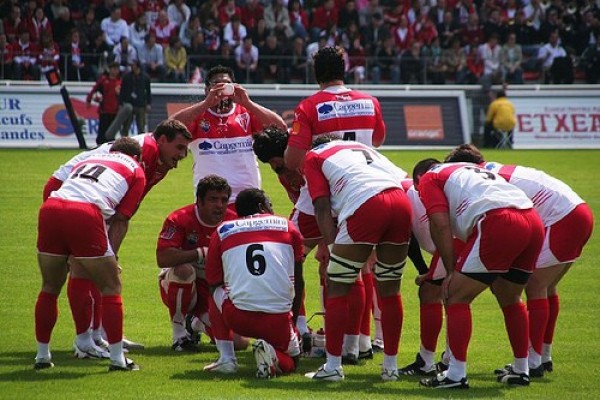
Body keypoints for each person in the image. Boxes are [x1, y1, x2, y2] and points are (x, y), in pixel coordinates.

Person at [42, 120, 192, 357]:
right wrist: (110, 252)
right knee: (87, 268)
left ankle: (99, 334)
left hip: (75, 198)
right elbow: (121, 215)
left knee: (95, 269)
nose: (183, 156)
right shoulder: (147, 154)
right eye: (180, 148)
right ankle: (87, 339)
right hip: (71, 194)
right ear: (162, 140)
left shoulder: (158, 158)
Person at [444, 144, 594, 377]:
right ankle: (543, 356)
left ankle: (533, 361)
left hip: (563, 217)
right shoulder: (492, 171)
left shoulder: (484, 181)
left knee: (535, 285)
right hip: (575, 211)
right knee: (546, 287)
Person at [413, 159, 545, 389]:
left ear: (418, 178)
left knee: (455, 296)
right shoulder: (464, 169)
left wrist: (451, 270)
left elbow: (440, 224)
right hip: (532, 218)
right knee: (510, 296)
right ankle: (522, 368)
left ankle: (455, 374)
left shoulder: (428, 179)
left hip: (500, 220)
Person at [253, 127, 377, 362]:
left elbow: (318, 204)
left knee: (285, 259)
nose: (281, 173)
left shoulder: (311, 159)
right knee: (344, 269)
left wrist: (327, 242)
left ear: (291, 154)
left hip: (340, 205)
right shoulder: (293, 167)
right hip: (342, 204)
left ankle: (331, 340)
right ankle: (352, 343)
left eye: (280, 166)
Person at [303, 138, 411, 382]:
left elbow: (321, 208)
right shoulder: (361, 148)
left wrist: (332, 248)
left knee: (338, 285)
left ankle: (333, 366)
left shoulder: (313, 156)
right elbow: (401, 177)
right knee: (391, 290)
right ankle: (390, 368)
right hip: (400, 202)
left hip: (366, 203)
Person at [35, 137, 146, 371]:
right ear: (137, 157)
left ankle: (42, 355)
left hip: (51, 209)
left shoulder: (89, 158)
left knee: (49, 288)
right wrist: (111, 256)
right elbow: (122, 218)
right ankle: (117, 359)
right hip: (85, 212)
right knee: (111, 286)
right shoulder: (136, 168)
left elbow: (56, 185)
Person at [203, 188, 304, 378]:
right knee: (292, 363)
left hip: (239, 318)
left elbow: (213, 280)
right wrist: (293, 322)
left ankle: (227, 359)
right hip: (278, 319)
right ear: (261, 206)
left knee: (215, 289)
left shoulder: (223, 230)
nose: (272, 210)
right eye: (270, 205)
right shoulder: (288, 226)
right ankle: (273, 355)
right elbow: (299, 281)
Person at [169, 65, 286, 206]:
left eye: (226, 83)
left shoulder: (245, 112)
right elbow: (169, 127)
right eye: (217, 84)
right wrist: (206, 104)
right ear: (207, 90)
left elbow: (281, 128)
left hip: (247, 198)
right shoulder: (198, 115)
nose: (222, 88)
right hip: (211, 199)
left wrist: (248, 103)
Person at [156, 175, 246, 351]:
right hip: (180, 284)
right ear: (199, 200)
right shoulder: (179, 218)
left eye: (223, 200)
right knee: (184, 271)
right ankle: (179, 334)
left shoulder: (234, 222)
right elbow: (163, 258)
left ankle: (196, 323)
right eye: (213, 199)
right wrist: (200, 253)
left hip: (213, 288)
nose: (219, 205)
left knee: (239, 344)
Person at [284, 46, 386, 171]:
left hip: (328, 185)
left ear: (316, 73)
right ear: (343, 70)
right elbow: (377, 141)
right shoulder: (371, 102)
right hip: (364, 182)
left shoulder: (307, 107)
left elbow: (292, 162)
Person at [104, 60, 152, 141]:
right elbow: (122, 91)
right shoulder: (127, 77)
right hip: (129, 104)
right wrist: (120, 103)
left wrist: (148, 104)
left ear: (137, 66)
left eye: (133, 65)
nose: (132, 67)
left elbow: (148, 92)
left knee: (141, 126)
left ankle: (142, 142)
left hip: (140, 105)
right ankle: (124, 141)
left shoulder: (145, 77)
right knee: (126, 126)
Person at [86, 61, 121, 145]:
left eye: (116, 69)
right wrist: (89, 100)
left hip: (115, 110)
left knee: (111, 132)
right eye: (113, 69)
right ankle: (99, 146)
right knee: (102, 130)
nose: (115, 71)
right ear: (110, 70)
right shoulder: (103, 80)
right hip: (104, 110)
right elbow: (94, 89)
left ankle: (110, 147)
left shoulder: (119, 81)